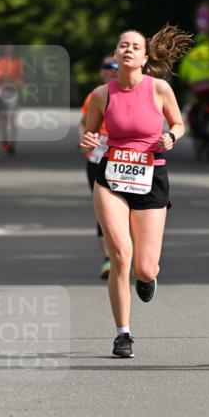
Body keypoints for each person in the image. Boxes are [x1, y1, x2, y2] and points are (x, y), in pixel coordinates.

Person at [80, 26, 191, 359]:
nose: (127, 50)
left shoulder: (159, 89)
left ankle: (147, 278)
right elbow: (90, 132)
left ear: (145, 57)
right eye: (122, 46)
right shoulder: (102, 94)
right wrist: (87, 139)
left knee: (144, 267)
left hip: (151, 175)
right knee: (120, 255)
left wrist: (171, 137)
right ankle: (122, 333)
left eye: (134, 46)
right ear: (116, 55)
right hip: (112, 175)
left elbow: (179, 124)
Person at [79, 54, 116, 280]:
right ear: (102, 71)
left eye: (116, 66)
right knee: (103, 209)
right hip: (96, 159)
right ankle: (108, 259)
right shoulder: (96, 95)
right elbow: (84, 124)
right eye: (108, 66)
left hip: (126, 161)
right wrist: (85, 140)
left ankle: (126, 252)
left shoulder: (135, 92)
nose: (112, 69)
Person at [177, 32, 209, 148]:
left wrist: (185, 82)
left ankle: (195, 130)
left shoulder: (191, 54)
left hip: (197, 87)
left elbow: (183, 74)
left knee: (193, 108)